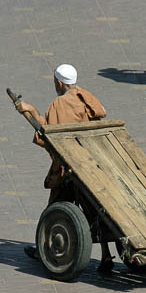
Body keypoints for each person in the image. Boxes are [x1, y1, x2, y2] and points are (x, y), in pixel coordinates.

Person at [15, 63, 117, 272]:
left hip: (71, 167)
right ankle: (106, 254)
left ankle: (43, 247)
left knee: (55, 205)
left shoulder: (59, 105)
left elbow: (55, 137)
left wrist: (32, 110)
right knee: (95, 208)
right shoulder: (86, 96)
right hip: (93, 162)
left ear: (59, 82)